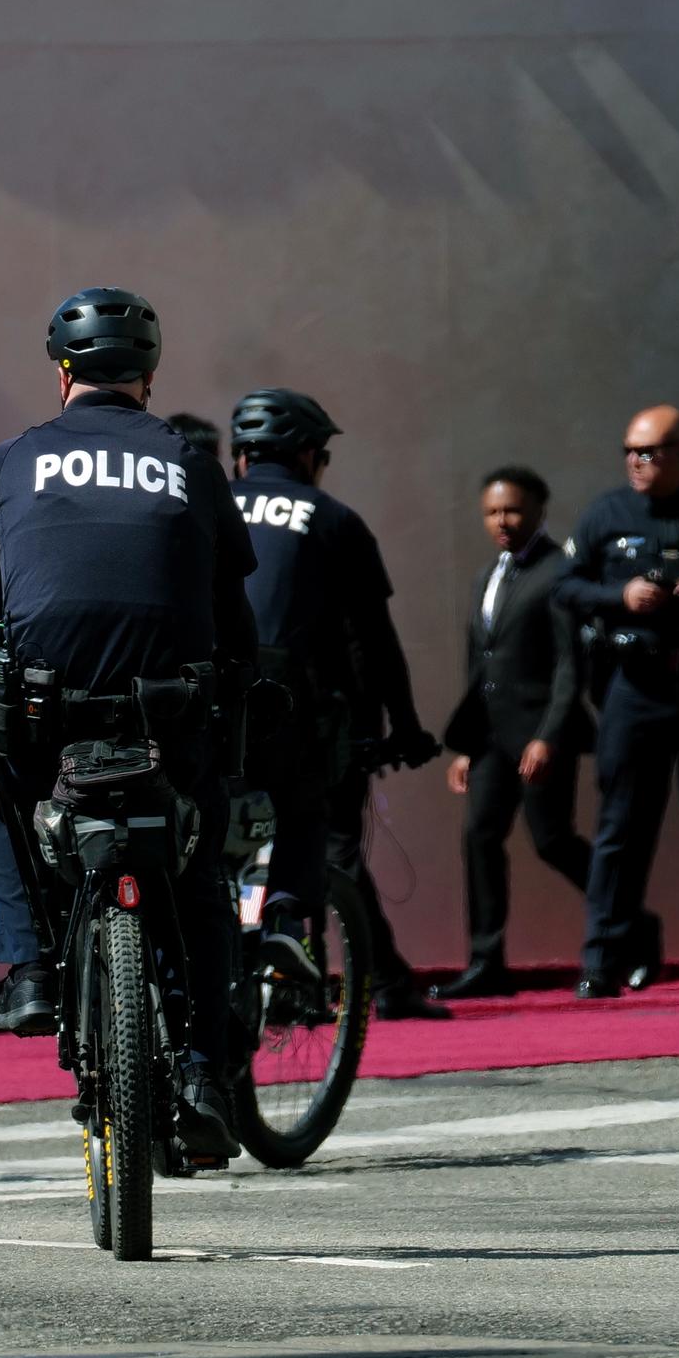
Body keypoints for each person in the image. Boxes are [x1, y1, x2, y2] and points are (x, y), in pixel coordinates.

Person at [0, 289, 257, 1157]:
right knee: (204, 876)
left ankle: (29, 971)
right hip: (165, 719)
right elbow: (233, 613)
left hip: (41, 715)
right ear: (149, 376)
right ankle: (206, 1066)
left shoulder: (14, 459)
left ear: (63, 371)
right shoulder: (189, 461)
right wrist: (241, 693)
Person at [229, 389, 447, 1022]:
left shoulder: (205, 507)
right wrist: (404, 728)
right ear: (307, 454)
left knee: (240, 853)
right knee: (313, 836)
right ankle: (295, 959)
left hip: (210, 711)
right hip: (298, 720)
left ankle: (251, 956)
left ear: (242, 457)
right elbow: (376, 641)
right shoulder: (331, 519)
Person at [559, 405, 679, 995]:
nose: (636, 462)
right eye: (630, 451)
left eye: (649, 452)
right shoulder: (606, 513)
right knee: (621, 828)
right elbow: (566, 587)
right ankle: (603, 959)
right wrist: (622, 594)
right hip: (636, 689)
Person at [435, 467, 593, 999]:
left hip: (540, 736)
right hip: (490, 741)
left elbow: (571, 666)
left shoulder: (559, 573)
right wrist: (463, 745)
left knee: (552, 841)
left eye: (513, 510)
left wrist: (549, 735)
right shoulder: (488, 575)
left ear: (539, 510)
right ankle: (486, 960)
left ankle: (625, 922)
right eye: (493, 512)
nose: (502, 521)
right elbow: (480, 664)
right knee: (478, 836)